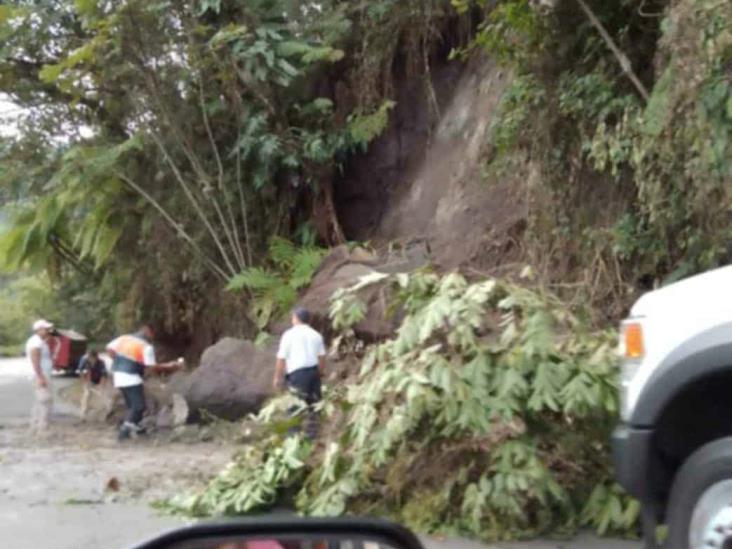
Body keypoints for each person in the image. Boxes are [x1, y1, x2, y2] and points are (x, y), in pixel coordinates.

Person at [106, 324, 179, 441]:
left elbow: (109, 348)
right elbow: (152, 367)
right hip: (131, 377)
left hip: (118, 375)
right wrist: (170, 365)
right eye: (152, 333)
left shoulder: (124, 338)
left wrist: (116, 360)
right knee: (139, 406)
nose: (153, 336)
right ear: (147, 331)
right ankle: (123, 432)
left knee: (131, 406)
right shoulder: (146, 347)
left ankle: (138, 429)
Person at [273, 307, 326, 439]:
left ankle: (292, 438)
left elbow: (281, 358)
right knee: (314, 405)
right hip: (313, 372)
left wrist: (277, 377)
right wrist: (319, 373)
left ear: (296, 318)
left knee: (294, 407)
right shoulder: (316, 335)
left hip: (298, 374)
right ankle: (313, 437)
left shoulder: (289, 335)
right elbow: (322, 357)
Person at [25, 319, 55, 435]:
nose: (48, 331)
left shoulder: (40, 341)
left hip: (43, 374)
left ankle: (35, 426)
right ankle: (42, 428)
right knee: (45, 401)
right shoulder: (35, 343)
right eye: (46, 329)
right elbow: (35, 361)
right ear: (38, 330)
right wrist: (40, 376)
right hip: (41, 375)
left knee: (40, 401)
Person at [77, 349, 110, 420]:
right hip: (89, 379)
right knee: (87, 394)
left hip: (98, 379)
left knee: (103, 394)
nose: (90, 360)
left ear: (96, 357)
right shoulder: (84, 361)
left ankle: (108, 410)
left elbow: (103, 376)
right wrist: (84, 382)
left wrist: (101, 386)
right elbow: (81, 372)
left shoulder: (101, 363)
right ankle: (83, 413)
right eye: (89, 358)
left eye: (92, 358)